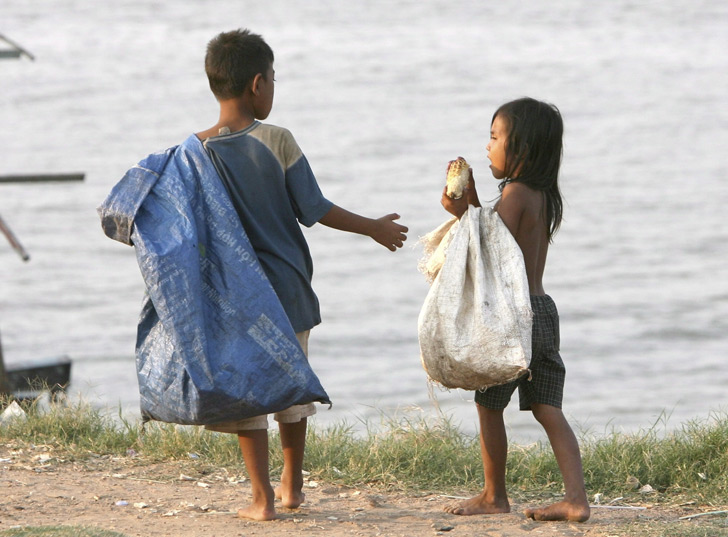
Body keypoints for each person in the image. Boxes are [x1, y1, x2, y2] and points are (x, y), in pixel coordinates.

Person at [195, 29, 408, 521]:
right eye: (273, 79)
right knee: (291, 386)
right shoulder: (277, 139)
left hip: (234, 298)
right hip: (287, 290)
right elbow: (314, 208)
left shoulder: (194, 152)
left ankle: (261, 499)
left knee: (248, 394)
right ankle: (292, 485)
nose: (273, 87)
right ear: (256, 84)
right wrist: (372, 228)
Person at [440, 97, 590, 522]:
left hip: (512, 319)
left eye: (494, 137)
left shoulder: (516, 192)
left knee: (489, 405)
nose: (487, 147)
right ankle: (576, 500)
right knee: (547, 408)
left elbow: (488, 247)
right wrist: (471, 208)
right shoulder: (541, 195)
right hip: (542, 310)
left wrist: (460, 212)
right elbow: (503, 241)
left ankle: (494, 495)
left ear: (520, 149)